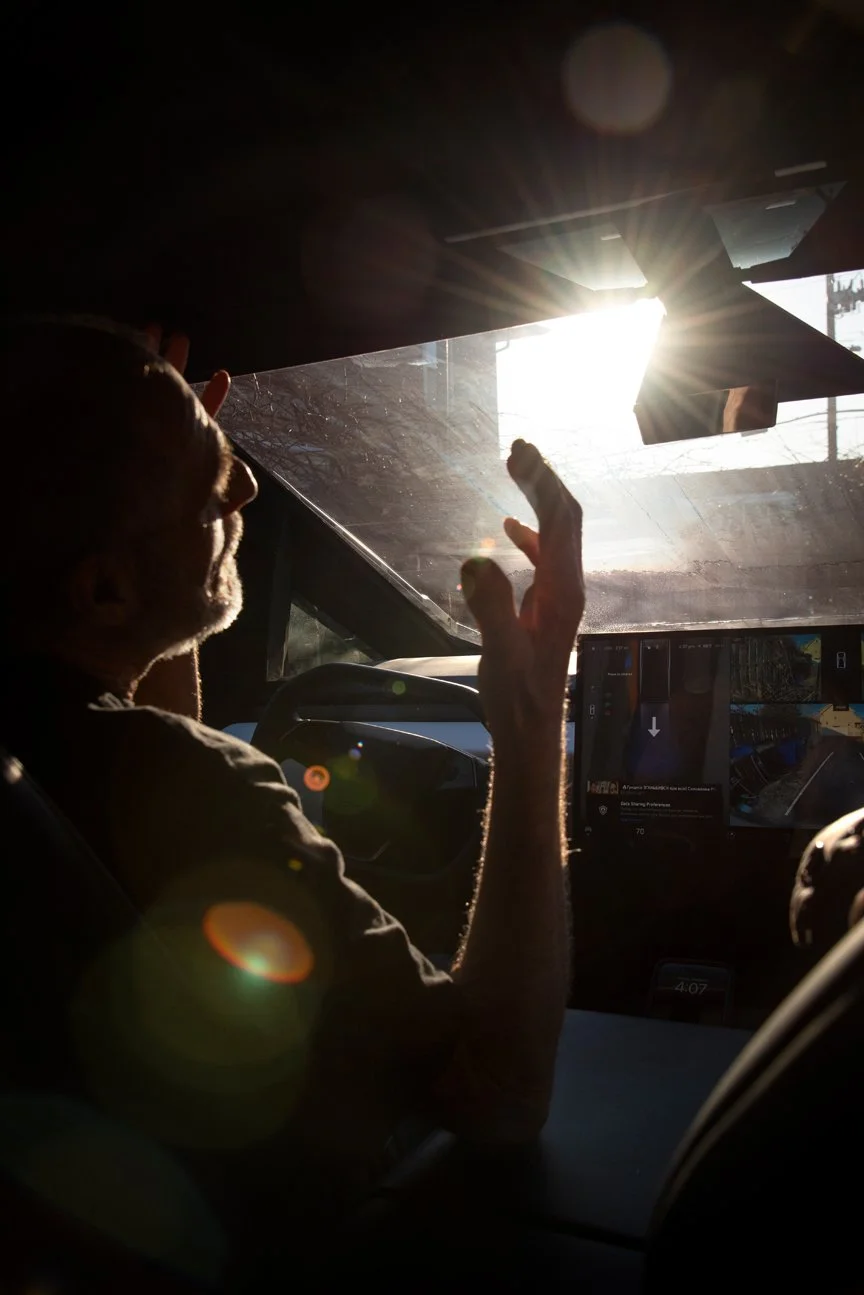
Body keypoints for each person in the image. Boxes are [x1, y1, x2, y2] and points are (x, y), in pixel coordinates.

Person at [0, 317, 583, 1282]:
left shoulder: (73, 756)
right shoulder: (194, 789)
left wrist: (166, 528)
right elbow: (501, 1089)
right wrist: (530, 714)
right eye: (210, 480)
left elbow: (114, 744)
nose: (247, 486)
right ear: (102, 589)